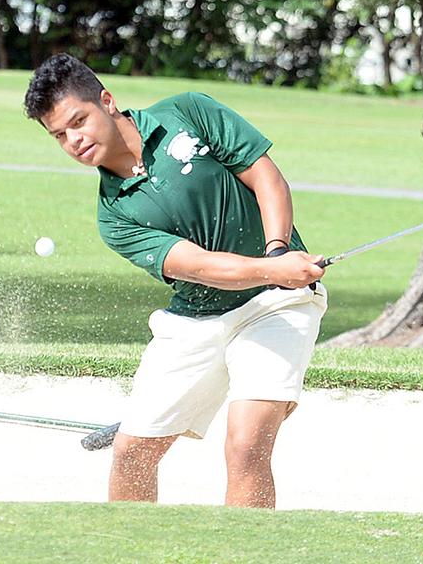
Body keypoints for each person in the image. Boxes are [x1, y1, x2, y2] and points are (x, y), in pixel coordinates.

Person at [24, 53, 327, 508]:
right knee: (131, 454)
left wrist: (278, 252)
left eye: (78, 121)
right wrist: (274, 269)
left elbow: (265, 177)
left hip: (278, 305)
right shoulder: (114, 217)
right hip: (196, 318)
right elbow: (200, 267)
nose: (73, 141)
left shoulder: (188, 111)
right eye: (59, 136)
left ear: (107, 101)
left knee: (246, 446)